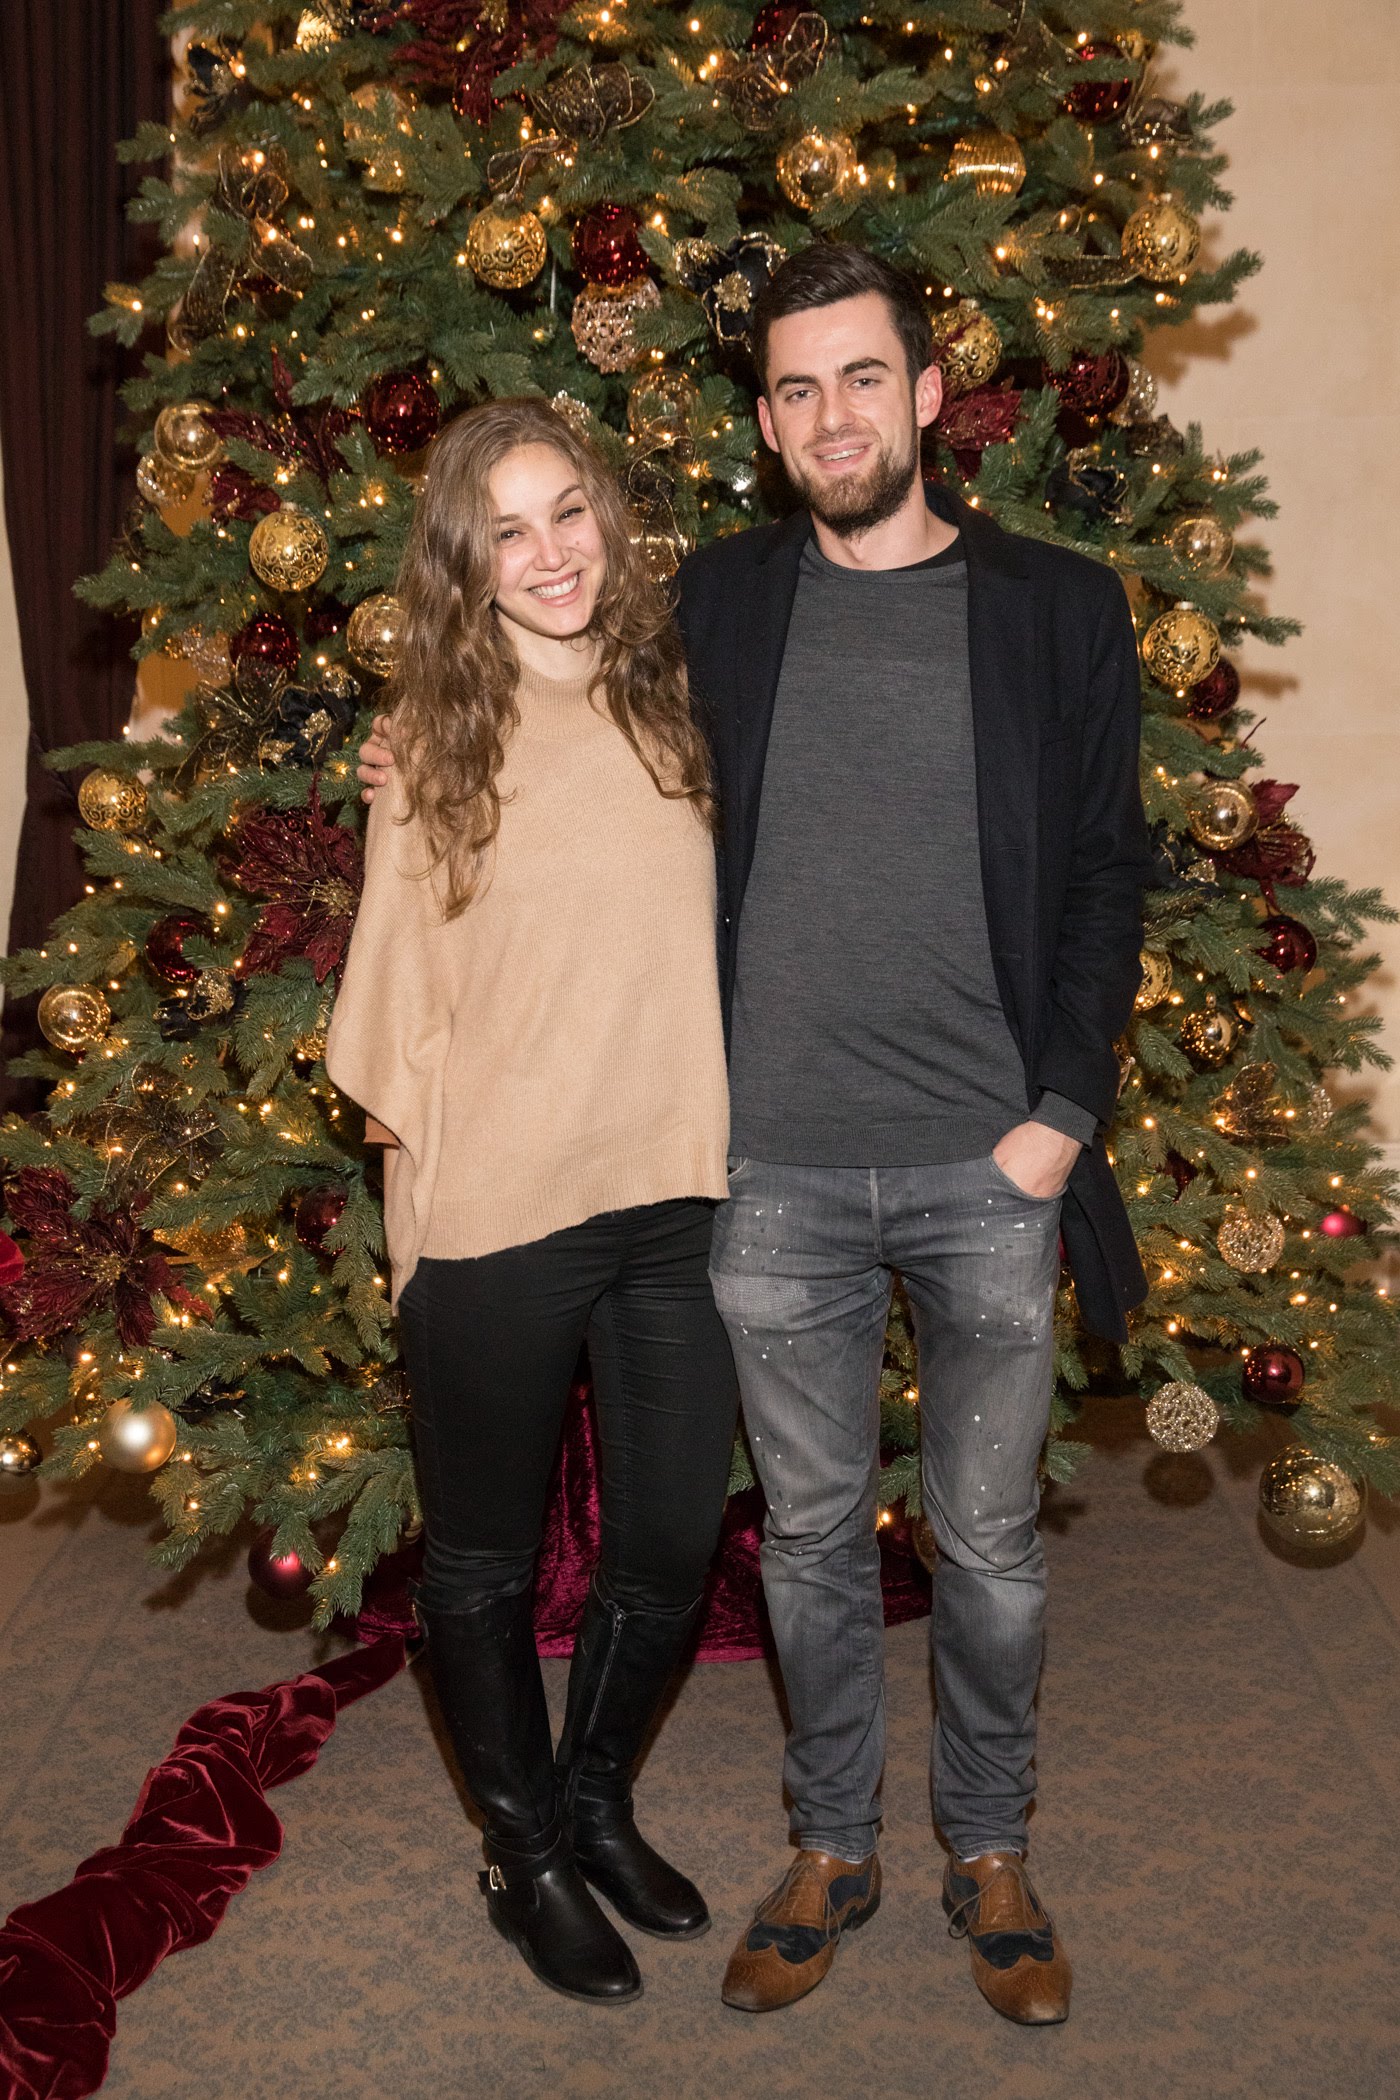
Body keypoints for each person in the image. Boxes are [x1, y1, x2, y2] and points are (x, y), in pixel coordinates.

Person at [359, 244, 1150, 2028]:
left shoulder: (1057, 607)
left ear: (929, 394)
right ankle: (828, 1845)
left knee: (994, 1543)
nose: (831, 417)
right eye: (794, 389)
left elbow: (1108, 872)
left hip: (985, 1165)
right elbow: (522, 703)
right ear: (766, 419)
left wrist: (1059, 1121)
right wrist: (402, 749)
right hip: (763, 1176)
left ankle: (990, 1845)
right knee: (797, 1543)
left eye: (864, 378)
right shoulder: (709, 606)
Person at [328, 397, 738, 2008]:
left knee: (668, 1541)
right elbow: (388, 1008)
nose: (549, 553)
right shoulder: (431, 736)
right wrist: (422, 1225)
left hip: (678, 1196)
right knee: (487, 1562)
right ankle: (523, 1855)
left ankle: (596, 1804)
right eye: (508, 530)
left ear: (610, 520)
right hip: (499, 1208)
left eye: (568, 513)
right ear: (465, 558)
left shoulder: (688, 702)